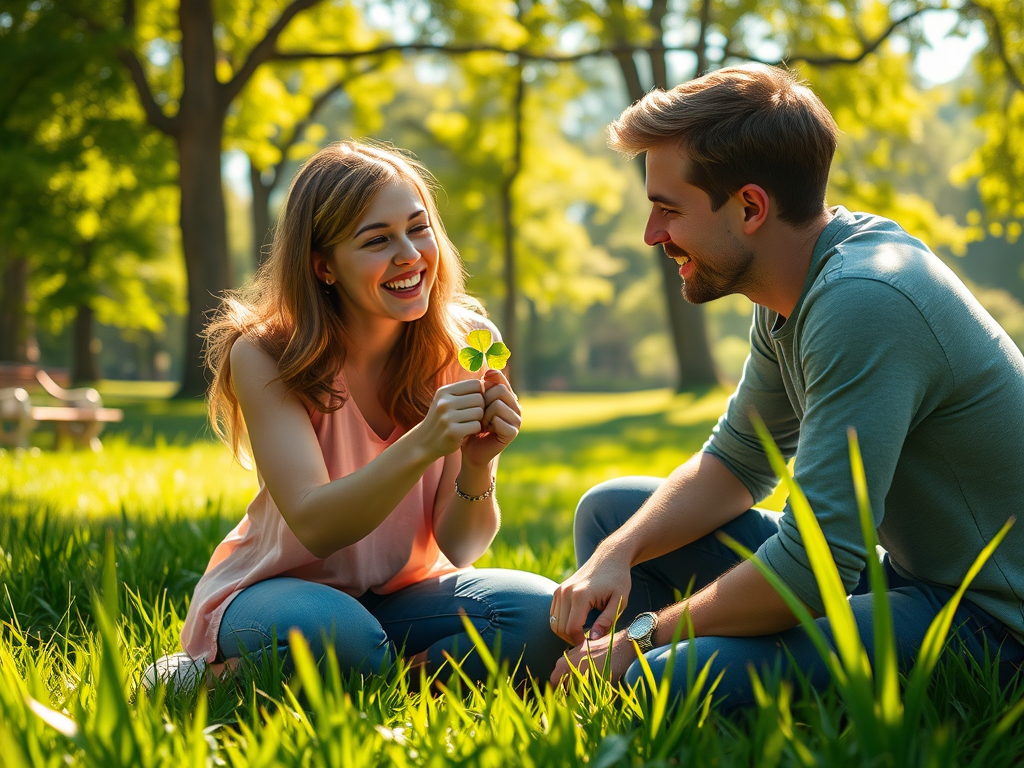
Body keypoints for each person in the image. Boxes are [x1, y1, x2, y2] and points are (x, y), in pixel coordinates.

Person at [548, 64, 1024, 708]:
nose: (652, 234)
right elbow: (737, 462)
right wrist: (618, 549)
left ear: (750, 207)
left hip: (994, 622)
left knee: (669, 678)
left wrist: (645, 634)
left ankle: (636, 677)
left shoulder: (863, 300)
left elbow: (816, 568)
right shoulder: (789, 290)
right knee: (612, 512)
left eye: (668, 209)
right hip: (907, 579)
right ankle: (621, 671)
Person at [144, 140, 565, 692]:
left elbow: (460, 548)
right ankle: (197, 678)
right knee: (345, 641)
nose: (410, 255)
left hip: (401, 596)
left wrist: (478, 466)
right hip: (279, 591)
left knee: (542, 618)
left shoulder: (465, 344)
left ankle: (383, 679)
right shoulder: (268, 353)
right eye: (377, 240)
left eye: (419, 228)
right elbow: (317, 526)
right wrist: (422, 443)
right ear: (324, 266)